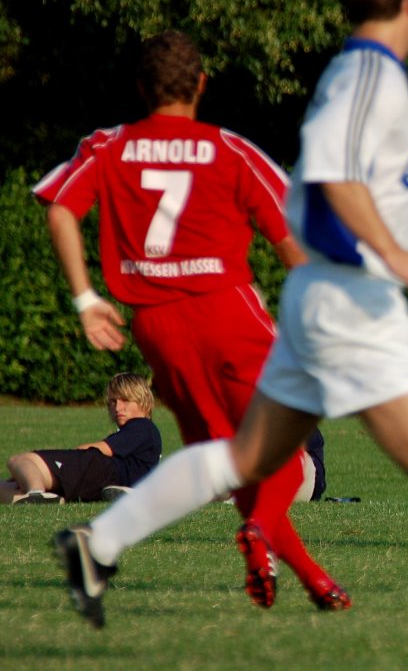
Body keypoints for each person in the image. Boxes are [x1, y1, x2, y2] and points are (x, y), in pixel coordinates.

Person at [52, 0, 408, 660]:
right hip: (352, 303)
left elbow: (330, 194)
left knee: (243, 456)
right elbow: (336, 181)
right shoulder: (374, 73)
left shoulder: (355, 70)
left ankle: (98, 544)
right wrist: (397, 253)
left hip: (322, 297)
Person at [34, 30, 350, 612]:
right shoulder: (229, 149)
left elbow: (60, 208)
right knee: (287, 441)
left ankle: (314, 579)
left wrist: (85, 298)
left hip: (158, 325)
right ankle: (242, 535)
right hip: (226, 310)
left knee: (226, 459)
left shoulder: (107, 145)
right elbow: (292, 241)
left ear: (140, 88)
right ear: (202, 85)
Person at [1, 372, 161, 505]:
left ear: (143, 401)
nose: (117, 408)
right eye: (113, 402)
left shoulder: (142, 426)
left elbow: (103, 449)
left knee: (21, 460)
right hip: (99, 481)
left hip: (96, 470)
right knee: (6, 486)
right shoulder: (141, 434)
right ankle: (44, 498)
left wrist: (72, 457)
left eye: (125, 400)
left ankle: (36, 493)